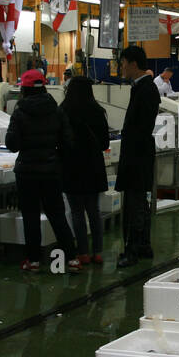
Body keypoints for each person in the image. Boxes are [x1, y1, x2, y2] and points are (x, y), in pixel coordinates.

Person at [4, 69, 80, 273]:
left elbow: (12, 144)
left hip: (26, 172)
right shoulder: (56, 110)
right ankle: (72, 259)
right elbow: (68, 142)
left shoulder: (20, 112)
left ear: (25, 90)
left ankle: (34, 261)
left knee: (30, 216)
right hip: (51, 172)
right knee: (57, 215)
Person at [116, 46, 160, 268]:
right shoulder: (143, 88)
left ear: (133, 63)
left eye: (123, 62)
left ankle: (132, 251)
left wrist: (129, 157)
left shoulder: (145, 90)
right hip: (140, 155)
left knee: (134, 205)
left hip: (137, 156)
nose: (121, 67)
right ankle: (143, 246)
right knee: (140, 202)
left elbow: (140, 128)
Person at [60, 76, 110, 265]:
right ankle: (97, 252)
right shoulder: (97, 111)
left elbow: (60, 141)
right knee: (94, 211)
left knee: (77, 213)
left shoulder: (63, 111)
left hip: (71, 166)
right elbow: (105, 143)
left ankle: (82, 253)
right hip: (93, 167)